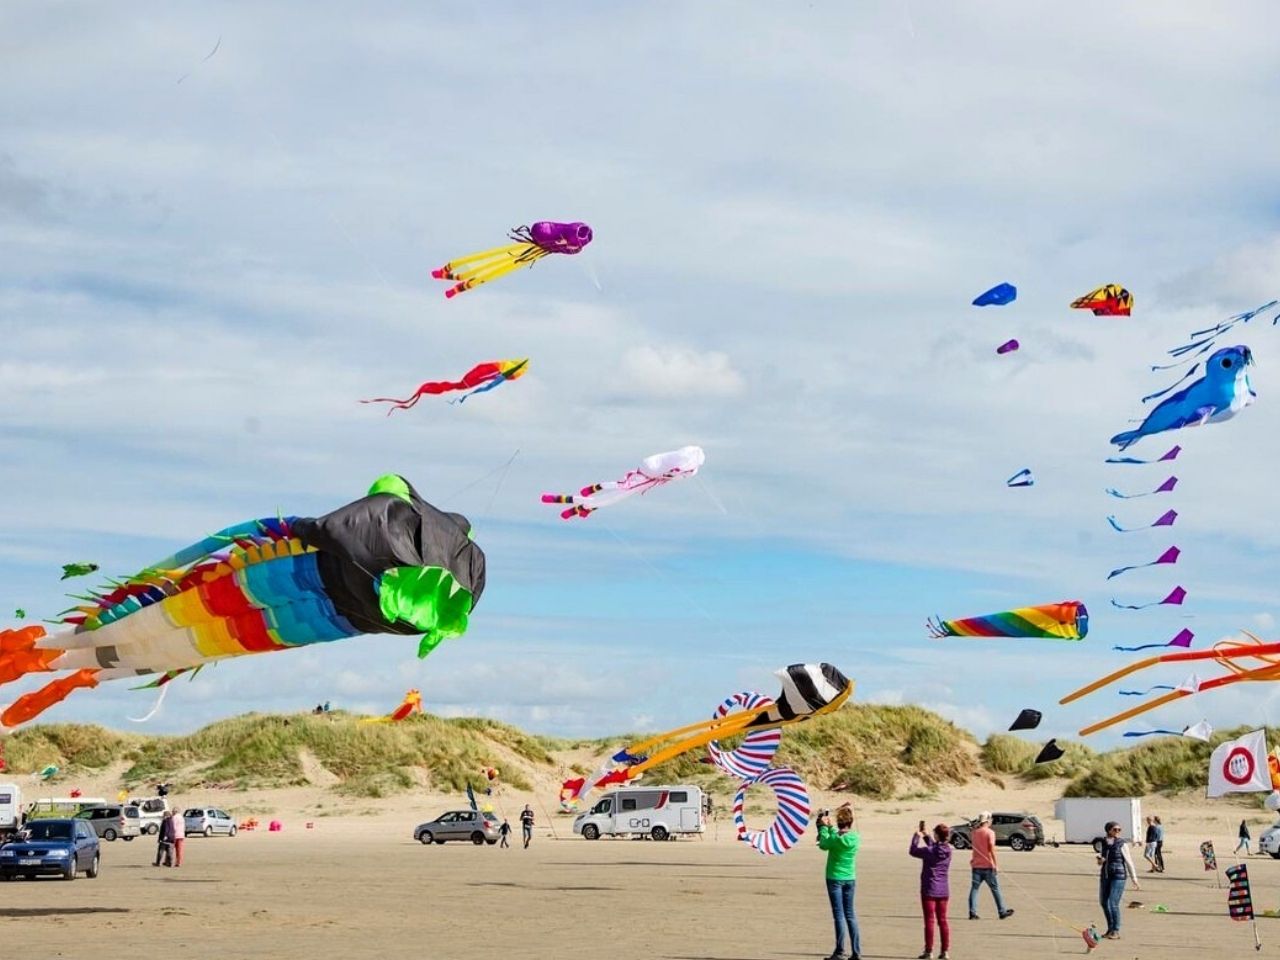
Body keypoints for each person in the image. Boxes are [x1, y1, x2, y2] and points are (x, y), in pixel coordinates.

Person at [817, 804, 861, 960]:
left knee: (839, 915)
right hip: (850, 878)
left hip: (835, 878)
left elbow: (823, 844)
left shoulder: (836, 839)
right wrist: (831, 827)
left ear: (839, 823)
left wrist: (823, 827)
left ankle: (840, 951)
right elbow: (838, 836)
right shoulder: (855, 837)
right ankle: (856, 952)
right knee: (850, 914)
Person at [910, 821, 953, 960]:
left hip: (929, 889)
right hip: (943, 890)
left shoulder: (930, 851)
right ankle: (945, 951)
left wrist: (916, 836)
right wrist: (926, 836)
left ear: (937, 835)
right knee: (943, 920)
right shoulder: (948, 850)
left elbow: (913, 850)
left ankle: (929, 951)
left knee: (929, 920)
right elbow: (935, 847)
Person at [1097, 820, 1141, 940]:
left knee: (1113, 903)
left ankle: (1116, 930)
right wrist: (1101, 861)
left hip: (1119, 876)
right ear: (1108, 830)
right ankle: (1110, 929)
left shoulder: (1122, 844)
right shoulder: (1104, 842)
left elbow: (1129, 861)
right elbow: (1102, 860)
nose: (1117, 832)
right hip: (1105, 875)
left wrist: (1134, 878)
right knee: (1103, 902)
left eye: (1119, 830)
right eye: (1115, 829)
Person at [968, 812, 1014, 920]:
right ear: (987, 821)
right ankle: (1002, 911)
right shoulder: (990, 833)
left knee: (975, 889)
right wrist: (995, 865)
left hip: (976, 866)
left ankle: (972, 912)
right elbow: (992, 849)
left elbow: (975, 841)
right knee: (995, 889)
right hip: (987, 866)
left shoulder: (974, 832)